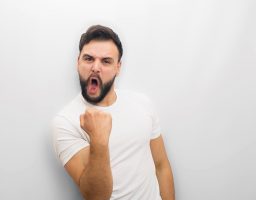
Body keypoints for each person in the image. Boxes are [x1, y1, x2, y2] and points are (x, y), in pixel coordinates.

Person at [52, 25, 175, 200]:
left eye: (106, 61)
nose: (95, 67)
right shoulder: (65, 121)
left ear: (118, 67)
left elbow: (161, 165)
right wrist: (99, 140)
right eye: (88, 59)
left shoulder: (142, 103)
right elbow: (96, 197)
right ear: (78, 62)